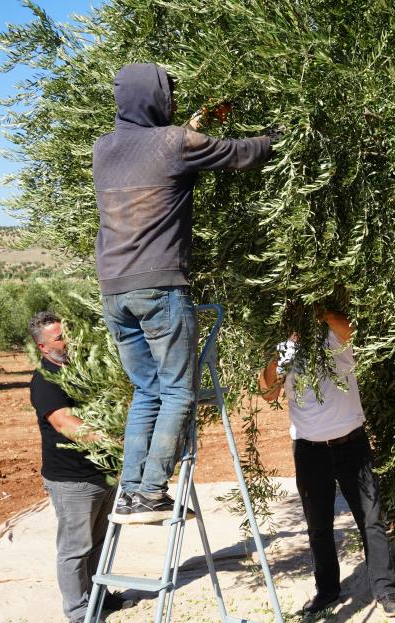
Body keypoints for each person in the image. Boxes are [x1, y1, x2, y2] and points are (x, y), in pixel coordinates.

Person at [93, 63, 275, 523]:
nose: (171, 104)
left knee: (145, 391)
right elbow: (242, 154)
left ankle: (132, 491)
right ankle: (152, 493)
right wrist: (281, 135)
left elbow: (163, 145)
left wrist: (198, 121)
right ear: (153, 98)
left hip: (115, 292)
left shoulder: (104, 149)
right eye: (167, 95)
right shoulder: (173, 143)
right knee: (178, 392)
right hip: (160, 289)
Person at [259, 309, 395, 618]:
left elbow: (348, 328)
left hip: (351, 444)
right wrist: (279, 356)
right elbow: (268, 393)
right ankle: (327, 590)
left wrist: (321, 312)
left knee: (371, 519)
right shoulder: (285, 348)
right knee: (318, 526)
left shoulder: (334, 336)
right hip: (309, 450)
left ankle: (385, 589)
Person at [29, 311, 131, 623]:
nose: (67, 340)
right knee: (75, 549)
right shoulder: (45, 380)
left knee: (99, 541)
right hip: (71, 480)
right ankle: (77, 612)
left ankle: (98, 595)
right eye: (59, 337)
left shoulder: (81, 372)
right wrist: (110, 437)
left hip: (101, 473)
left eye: (66, 333)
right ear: (43, 347)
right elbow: (63, 422)